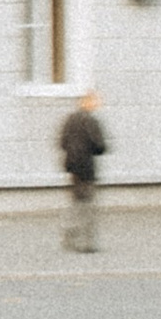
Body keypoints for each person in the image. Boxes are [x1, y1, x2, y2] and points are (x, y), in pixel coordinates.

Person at [58, 91, 108, 254]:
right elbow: (100, 145)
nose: (97, 104)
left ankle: (69, 233)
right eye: (95, 101)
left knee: (75, 202)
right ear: (87, 103)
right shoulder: (91, 121)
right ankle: (87, 243)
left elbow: (62, 142)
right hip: (86, 167)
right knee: (88, 205)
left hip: (72, 167)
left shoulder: (70, 120)